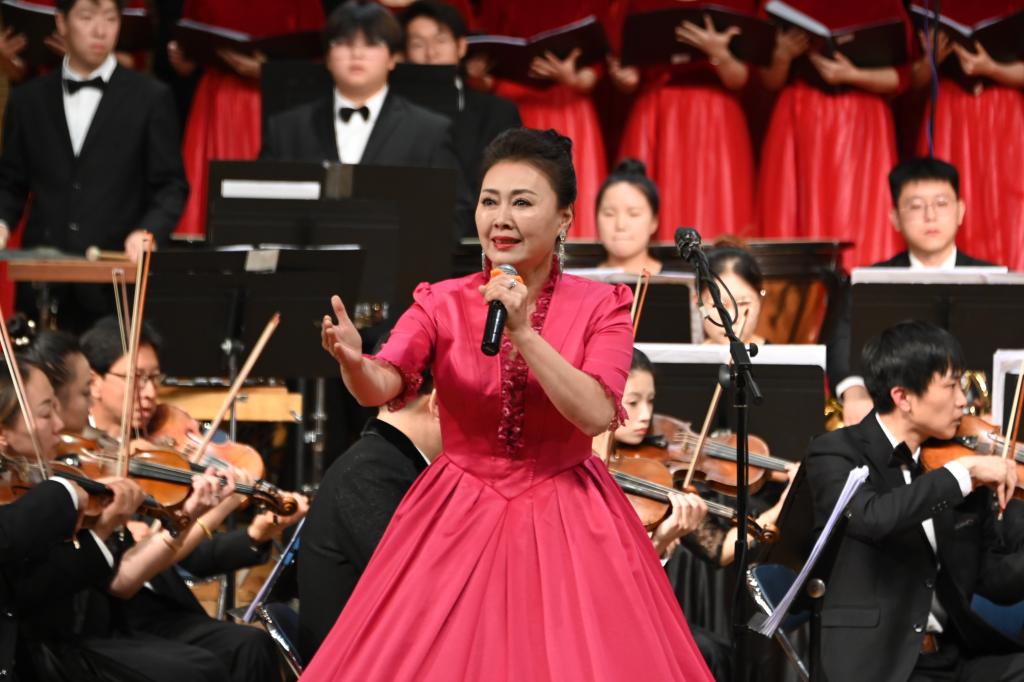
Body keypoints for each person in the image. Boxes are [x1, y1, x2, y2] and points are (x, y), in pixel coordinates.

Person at [308, 127, 713, 679]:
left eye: (522, 202)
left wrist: (524, 332)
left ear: (564, 217)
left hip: (568, 513)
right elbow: (384, 383)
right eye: (489, 201)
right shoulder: (441, 301)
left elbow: (597, 413)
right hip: (456, 510)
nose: (501, 219)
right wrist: (355, 363)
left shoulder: (603, 307)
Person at [78, 314, 304, 682]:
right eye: (135, 378)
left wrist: (254, 535)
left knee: (252, 644)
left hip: (159, 609)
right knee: (206, 664)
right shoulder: (79, 460)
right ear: (94, 382)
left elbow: (189, 558)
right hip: (108, 614)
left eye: (154, 378)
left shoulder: (154, 455)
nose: (148, 393)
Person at [804, 320, 1024, 682]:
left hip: (952, 657)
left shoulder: (953, 460)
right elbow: (872, 517)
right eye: (951, 386)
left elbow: (991, 579)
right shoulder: (835, 452)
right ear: (902, 397)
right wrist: (963, 473)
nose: (963, 401)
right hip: (879, 665)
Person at [0, 354, 226, 682]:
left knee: (226, 653)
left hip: (90, 633)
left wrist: (108, 525)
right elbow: (37, 592)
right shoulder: (31, 507)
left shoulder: (45, 489)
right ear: (3, 432)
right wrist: (78, 506)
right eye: (47, 413)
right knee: (200, 668)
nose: (60, 426)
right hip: (46, 649)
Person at [0, 0, 188, 332]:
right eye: (86, 17)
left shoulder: (151, 97)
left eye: (110, 19)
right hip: (43, 281)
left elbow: (171, 185)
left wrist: (148, 231)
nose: (100, 30)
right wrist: (2, 222)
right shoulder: (28, 100)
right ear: (61, 22)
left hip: (115, 284)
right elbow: (11, 184)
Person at [261, 0, 471, 236]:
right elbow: (260, 207)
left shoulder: (430, 131)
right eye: (344, 43)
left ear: (393, 58)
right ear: (328, 57)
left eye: (371, 43)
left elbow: (455, 212)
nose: (357, 54)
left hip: (398, 258)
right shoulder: (287, 128)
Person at [827, 157, 996, 426]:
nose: (931, 216)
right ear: (895, 217)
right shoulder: (869, 283)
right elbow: (841, 343)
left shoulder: (995, 281)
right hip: (895, 416)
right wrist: (855, 391)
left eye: (941, 203)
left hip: (976, 417)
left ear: (960, 211)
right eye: (916, 206)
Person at [298, 361, 441, 662]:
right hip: (356, 663)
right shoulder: (369, 472)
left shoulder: (382, 461)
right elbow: (417, 589)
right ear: (437, 402)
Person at [757, 0, 910, 269]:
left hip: (863, 120)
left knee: (864, 210)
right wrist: (782, 55)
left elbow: (906, 77)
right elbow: (768, 80)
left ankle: (865, 281)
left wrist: (853, 75)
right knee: (798, 209)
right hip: (802, 114)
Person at [169, 0, 325, 237]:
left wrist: (270, 71)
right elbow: (190, 36)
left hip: (276, 100)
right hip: (217, 99)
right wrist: (182, 58)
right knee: (207, 205)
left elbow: (320, 58)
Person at [610, 0, 757, 241]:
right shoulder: (635, 4)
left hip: (715, 115)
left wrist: (719, 53)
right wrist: (624, 76)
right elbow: (627, 73)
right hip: (656, 111)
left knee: (715, 205)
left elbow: (739, 79)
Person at [472, 1, 610, 238]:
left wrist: (572, 78)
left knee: (567, 184)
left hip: (567, 104)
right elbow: (486, 56)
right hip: (514, 102)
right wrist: (479, 76)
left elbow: (595, 68)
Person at [910, 0, 1024, 272]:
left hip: (1004, 111)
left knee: (1009, 203)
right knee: (945, 198)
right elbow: (910, 79)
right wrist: (930, 60)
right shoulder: (930, 5)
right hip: (950, 112)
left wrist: (992, 68)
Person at [398, 0, 521, 195]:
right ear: (404, 54)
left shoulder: (499, 113)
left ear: (461, 47)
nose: (431, 53)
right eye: (418, 44)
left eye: (441, 41)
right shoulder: (390, 111)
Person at [594, 158, 662, 274]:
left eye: (633, 214)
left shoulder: (686, 281)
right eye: (609, 214)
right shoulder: (578, 280)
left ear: (654, 222)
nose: (620, 225)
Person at [699, 243, 767, 347]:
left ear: (760, 301)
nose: (731, 319)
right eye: (717, 305)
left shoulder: (782, 356)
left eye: (743, 303)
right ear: (698, 303)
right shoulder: (683, 357)